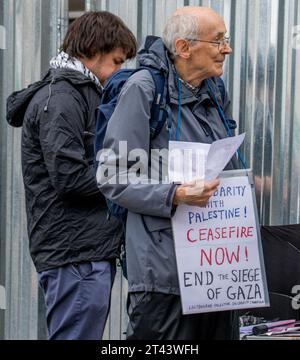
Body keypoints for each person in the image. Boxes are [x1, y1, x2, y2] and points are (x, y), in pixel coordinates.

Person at [97, 6, 240, 340]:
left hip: (215, 269)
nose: (227, 49)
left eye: (226, 39)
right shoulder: (144, 90)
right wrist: (174, 194)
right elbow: (112, 176)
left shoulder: (215, 93)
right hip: (162, 274)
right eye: (218, 40)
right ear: (184, 47)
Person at [6, 11, 137, 340]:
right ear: (93, 51)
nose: (119, 72)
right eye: (117, 61)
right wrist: (129, 172)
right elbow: (69, 177)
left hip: (83, 252)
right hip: (75, 255)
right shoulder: (63, 98)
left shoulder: (80, 92)